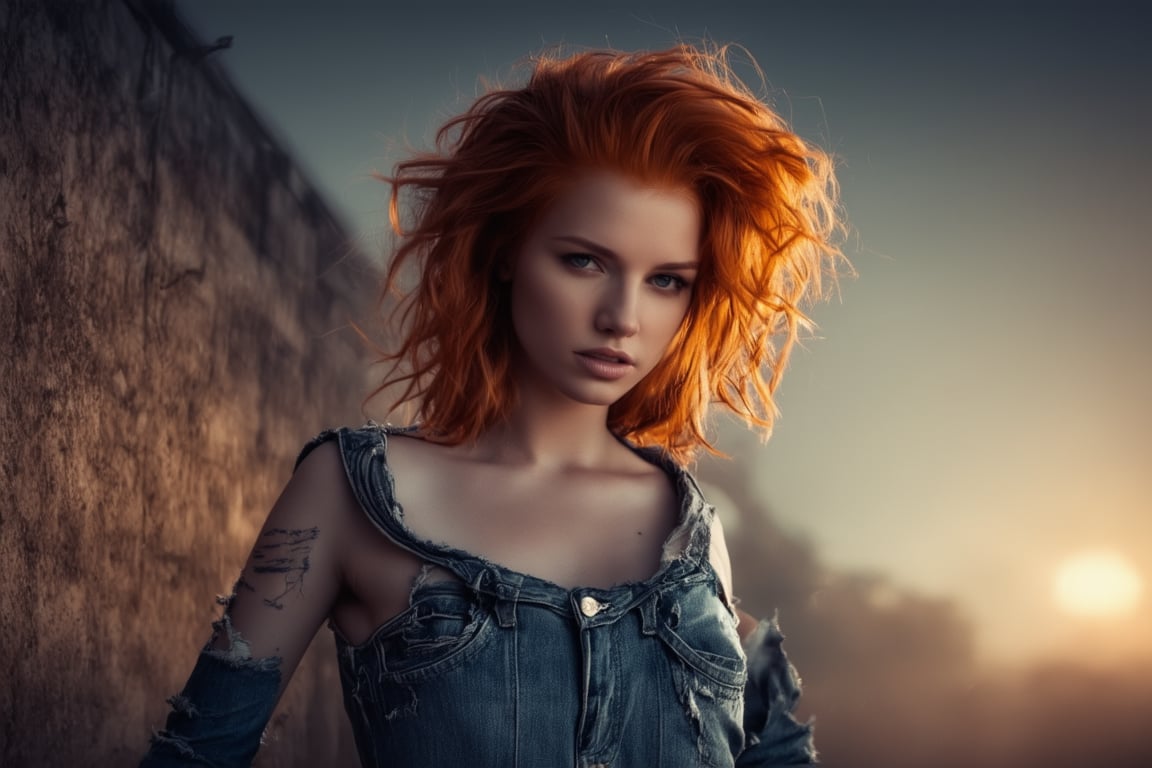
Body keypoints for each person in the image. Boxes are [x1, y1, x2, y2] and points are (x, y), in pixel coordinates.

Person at [140, 43, 843, 767]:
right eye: (584, 261)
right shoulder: (349, 490)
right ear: (508, 250)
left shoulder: (691, 529)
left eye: (667, 280)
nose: (623, 317)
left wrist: (758, 681)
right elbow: (196, 754)